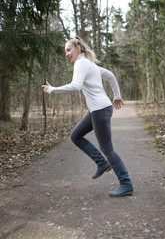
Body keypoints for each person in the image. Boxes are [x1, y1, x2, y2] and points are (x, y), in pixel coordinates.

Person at [41, 36, 133, 197]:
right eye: (65, 51)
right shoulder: (89, 63)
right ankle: (101, 163)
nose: (67, 54)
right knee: (76, 136)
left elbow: (76, 86)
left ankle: (126, 184)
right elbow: (110, 75)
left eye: (68, 50)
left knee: (107, 148)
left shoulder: (81, 63)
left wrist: (52, 89)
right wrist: (116, 95)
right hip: (97, 109)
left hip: (99, 109)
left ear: (78, 48)